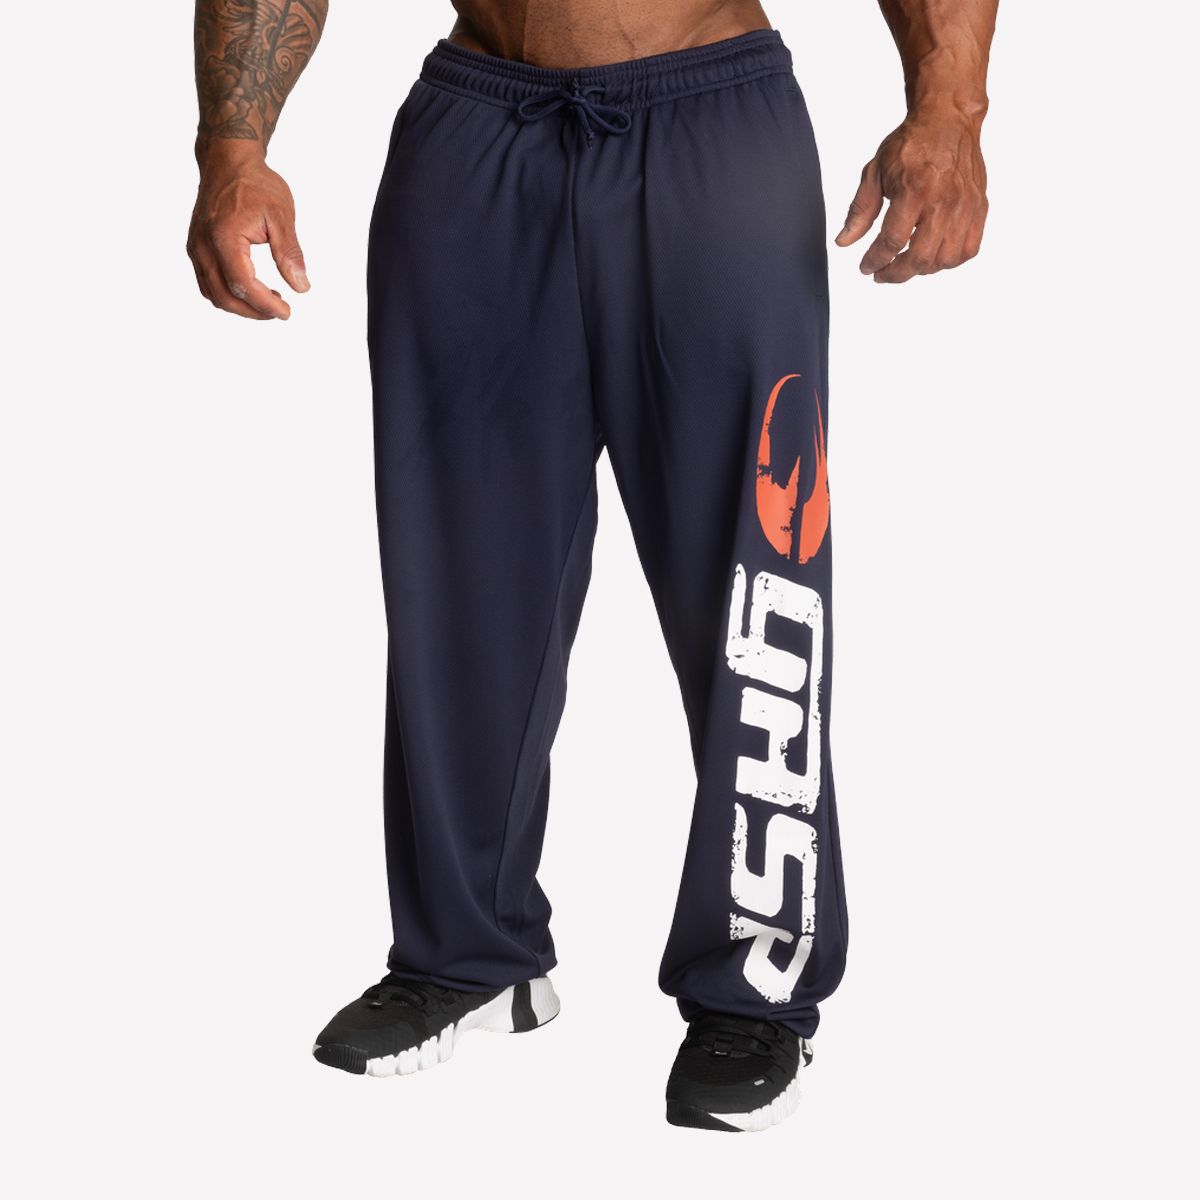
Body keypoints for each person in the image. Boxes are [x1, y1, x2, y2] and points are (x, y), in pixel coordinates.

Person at [188, 0, 995, 1132]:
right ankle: (467, 954)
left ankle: (756, 979)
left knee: (758, 572)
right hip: (475, 128)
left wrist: (949, 111)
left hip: (710, 119)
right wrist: (234, 147)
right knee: (455, 575)